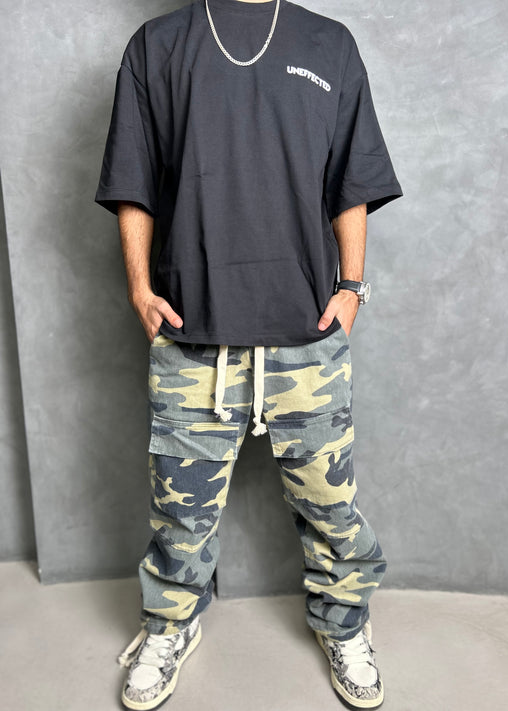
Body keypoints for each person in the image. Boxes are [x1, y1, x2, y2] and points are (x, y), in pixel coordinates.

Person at [94, 0, 403, 708]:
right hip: (192, 336)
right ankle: (170, 625)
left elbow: (352, 179)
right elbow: (133, 180)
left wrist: (352, 286)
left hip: (306, 336)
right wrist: (139, 288)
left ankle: (344, 623)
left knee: (331, 508)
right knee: (180, 518)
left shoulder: (328, 44)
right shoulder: (156, 46)